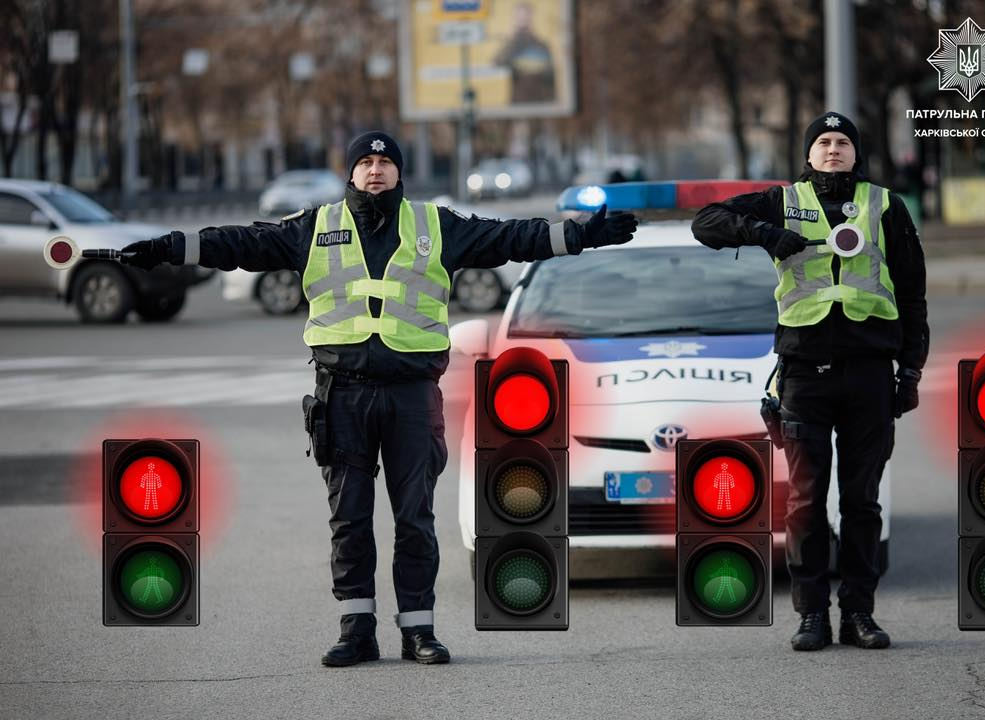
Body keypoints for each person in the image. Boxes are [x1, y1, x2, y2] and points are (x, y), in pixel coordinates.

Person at [118, 131, 638, 666]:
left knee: (415, 518)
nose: (374, 169)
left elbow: (509, 237)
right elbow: (241, 245)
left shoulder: (436, 225)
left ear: (399, 172)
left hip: (412, 396)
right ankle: (356, 630)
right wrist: (169, 249)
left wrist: (580, 236)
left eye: (384, 161)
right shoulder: (314, 227)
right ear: (350, 172)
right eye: (364, 161)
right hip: (342, 395)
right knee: (350, 518)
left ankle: (419, 631)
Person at [691, 112, 928, 651]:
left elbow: (913, 296)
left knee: (862, 503)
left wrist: (910, 370)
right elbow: (706, 222)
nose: (833, 149)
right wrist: (764, 234)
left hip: (869, 373)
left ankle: (859, 614)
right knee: (805, 502)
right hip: (804, 375)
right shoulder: (783, 201)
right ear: (809, 153)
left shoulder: (884, 205)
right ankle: (812, 615)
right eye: (823, 141)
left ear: (856, 152)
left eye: (843, 141)